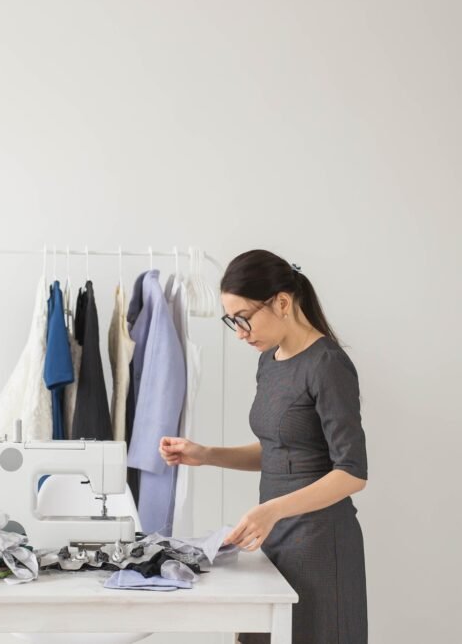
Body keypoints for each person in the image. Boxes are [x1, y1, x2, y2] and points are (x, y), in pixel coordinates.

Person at [159, 249, 368, 644]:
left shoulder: (327, 365)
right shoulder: (270, 361)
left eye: (243, 318)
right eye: (231, 321)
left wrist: (272, 510)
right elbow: (279, 451)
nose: (239, 332)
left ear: (283, 302)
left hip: (321, 544)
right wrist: (205, 455)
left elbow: (353, 473)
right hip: (275, 539)